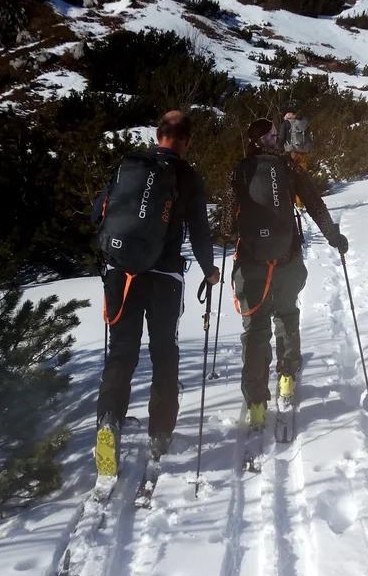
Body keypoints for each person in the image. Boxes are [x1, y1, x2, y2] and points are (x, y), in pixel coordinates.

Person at [90, 110, 220, 472]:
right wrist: (209, 270)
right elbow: (198, 232)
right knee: (164, 352)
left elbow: (96, 213)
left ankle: (108, 424)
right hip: (165, 277)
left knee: (121, 353)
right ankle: (160, 433)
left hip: (121, 273)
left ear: (158, 134)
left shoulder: (128, 164)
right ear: (187, 140)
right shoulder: (189, 176)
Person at [220, 118, 348, 430]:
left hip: (252, 266)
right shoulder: (289, 168)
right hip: (288, 258)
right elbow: (315, 205)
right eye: (276, 135)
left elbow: (224, 228)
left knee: (255, 330)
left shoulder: (239, 171)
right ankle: (287, 375)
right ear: (273, 141)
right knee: (287, 314)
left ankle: (257, 404)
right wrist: (334, 237)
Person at [279, 110, 312, 209]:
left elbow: (281, 138)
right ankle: (300, 204)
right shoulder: (304, 123)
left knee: (288, 178)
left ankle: (288, 204)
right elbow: (309, 138)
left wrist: (279, 151)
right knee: (302, 179)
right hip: (304, 154)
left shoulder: (286, 123)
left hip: (291, 153)